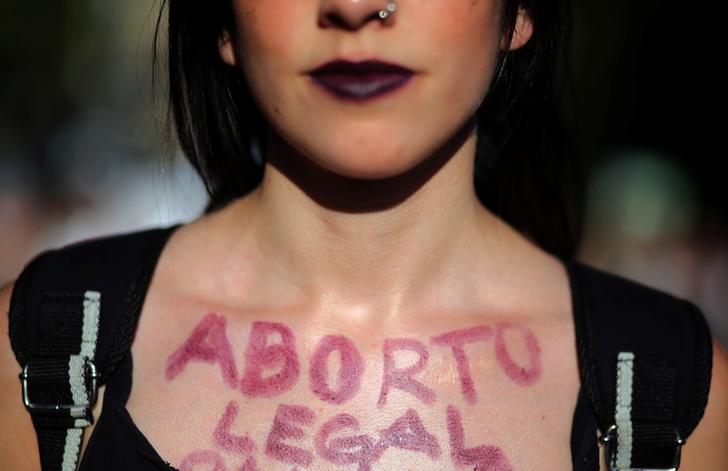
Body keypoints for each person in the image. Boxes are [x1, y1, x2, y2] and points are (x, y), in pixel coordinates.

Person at [1, 0, 727, 470]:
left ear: (520, 11)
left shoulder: (676, 397)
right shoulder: (33, 358)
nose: (354, 8)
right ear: (222, 20)